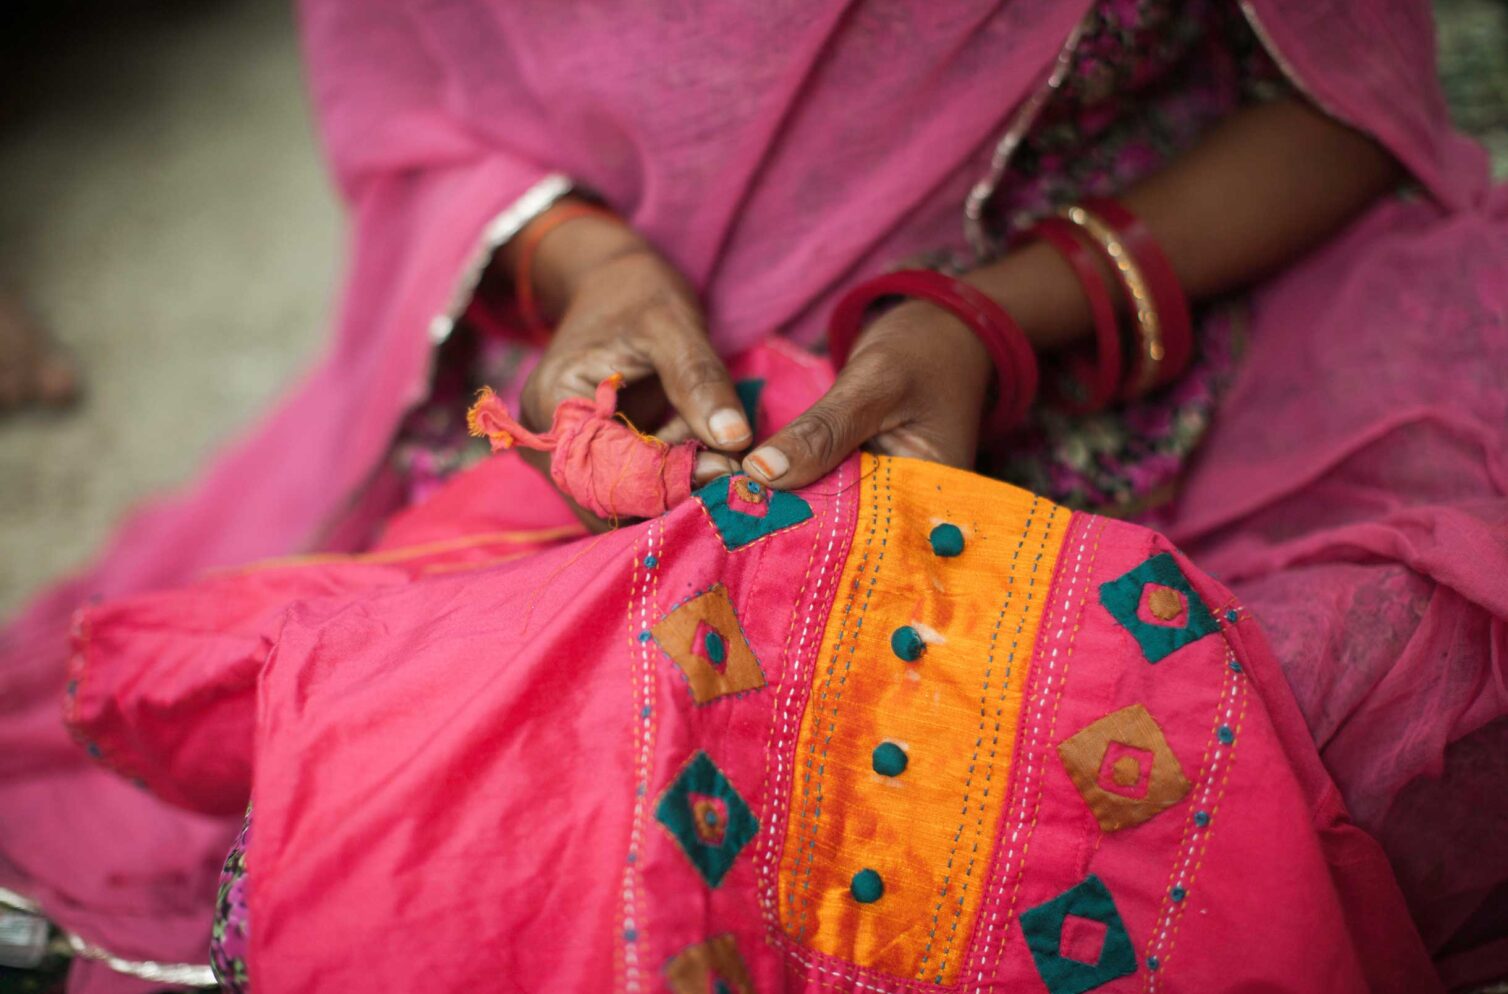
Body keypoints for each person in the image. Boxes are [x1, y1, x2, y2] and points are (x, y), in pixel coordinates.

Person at [2, 0, 1505, 989]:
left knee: (1320, 733)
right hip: (648, 367)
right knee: (474, 814)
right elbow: (428, 107)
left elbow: (1336, 105)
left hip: (1154, 320)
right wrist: (591, 271)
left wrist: (998, 322)